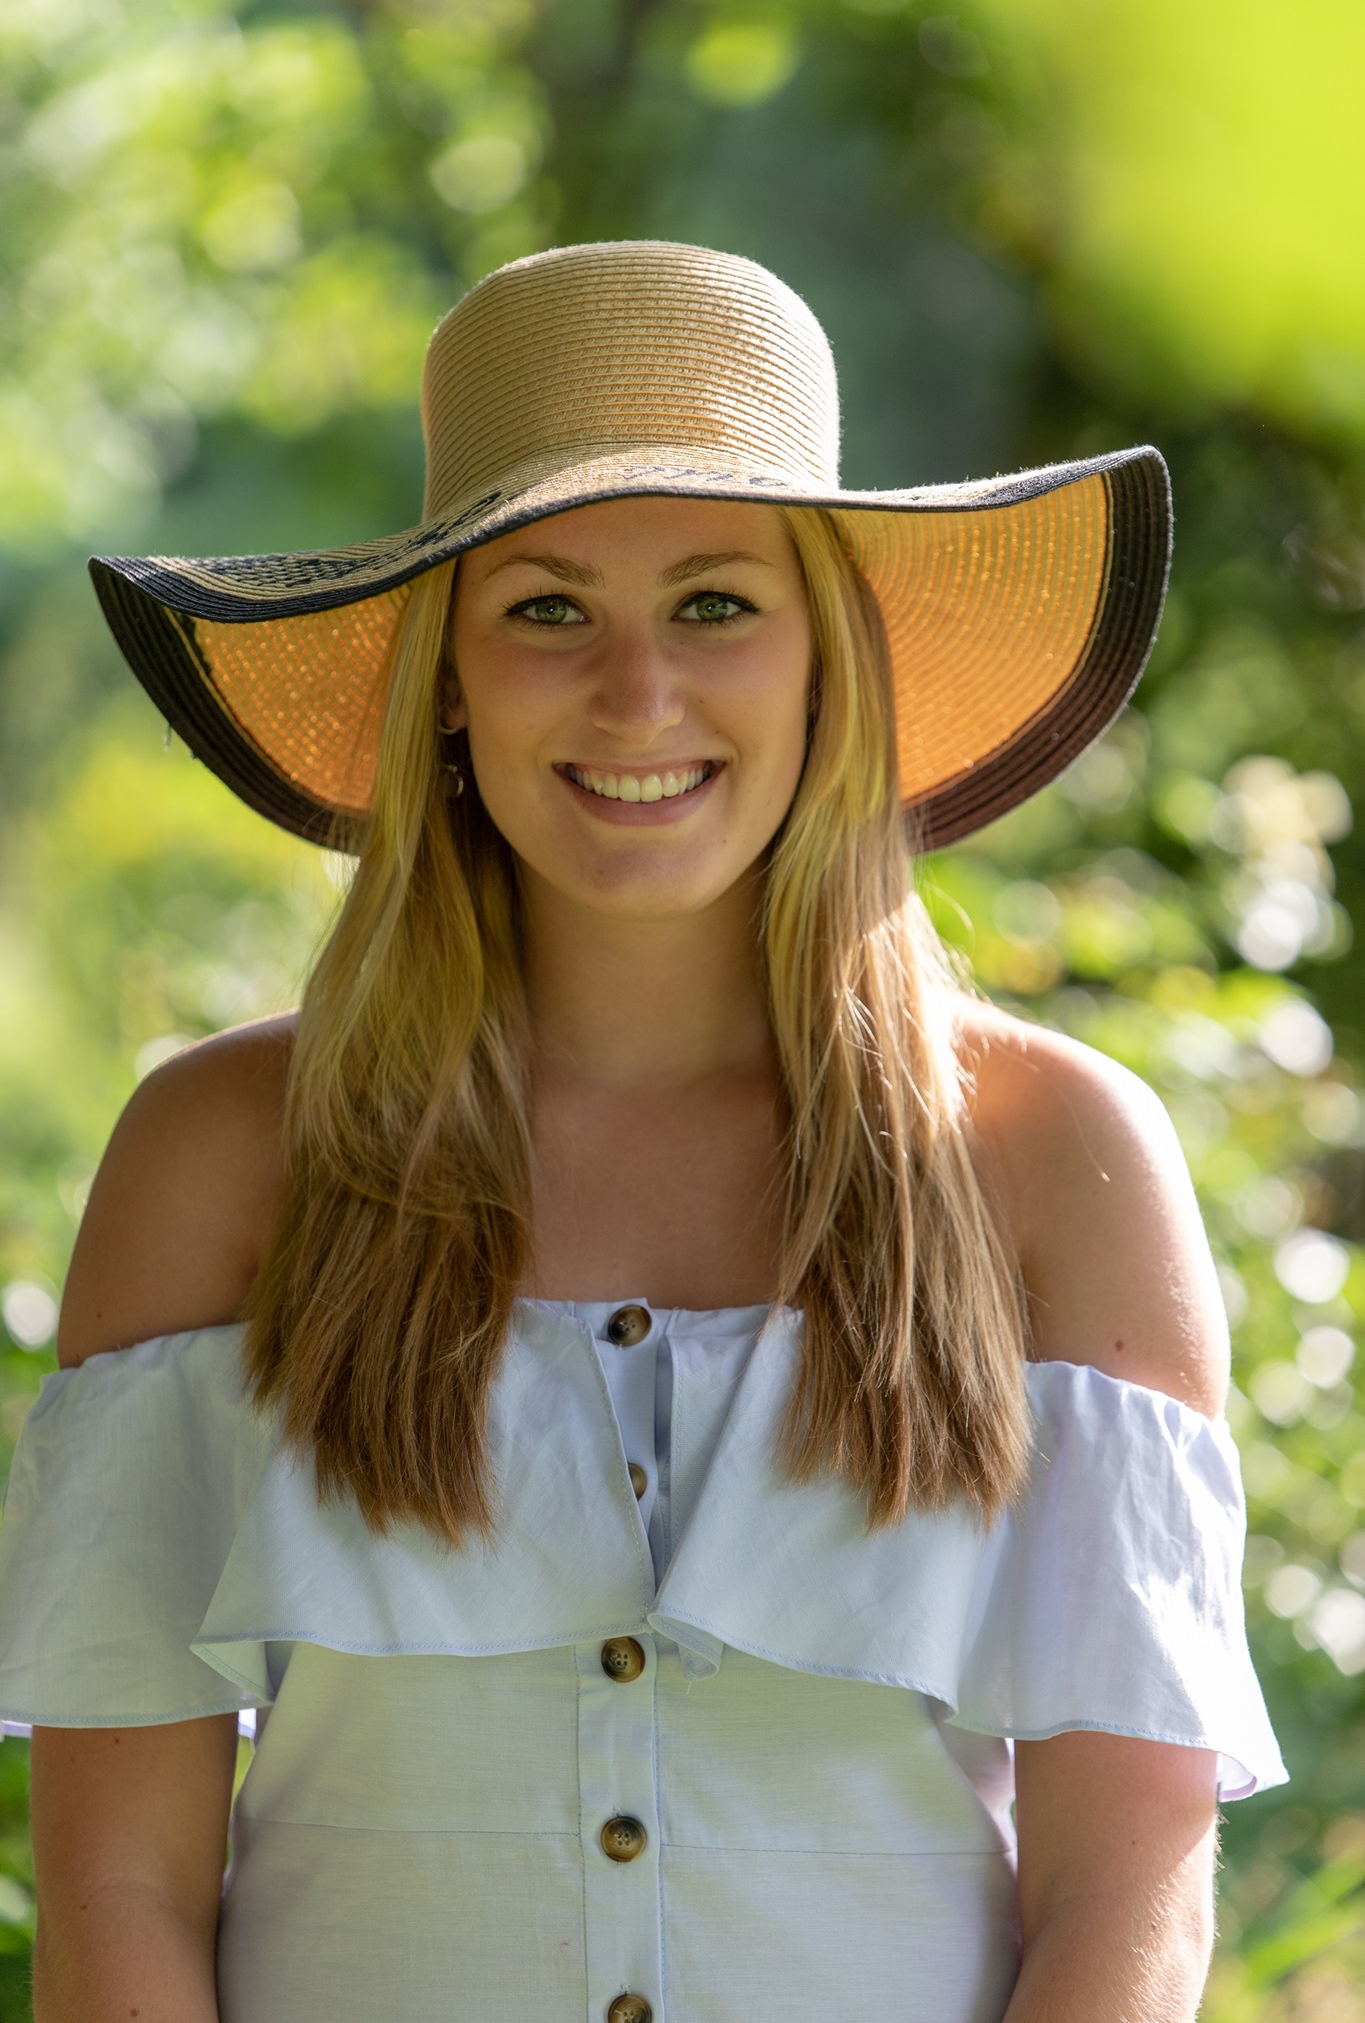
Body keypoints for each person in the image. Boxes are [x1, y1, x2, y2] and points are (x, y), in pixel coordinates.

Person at [0, 241, 1282, 2023]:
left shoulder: (1049, 1156)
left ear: (828, 659)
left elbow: (1120, 1890)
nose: (636, 697)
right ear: (447, 675)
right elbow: (118, 1892)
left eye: (714, 604)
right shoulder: (226, 1149)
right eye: (544, 611)